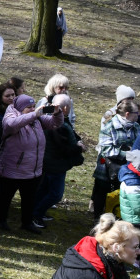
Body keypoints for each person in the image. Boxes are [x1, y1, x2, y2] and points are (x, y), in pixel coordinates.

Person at [0, 94, 63, 234]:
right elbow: (12, 125)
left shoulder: (37, 119)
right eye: (28, 107)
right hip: (12, 168)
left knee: (29, 199)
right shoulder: (10, 117)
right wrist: (35, 114)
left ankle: (27, 223)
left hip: (33, 169)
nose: (32, 109)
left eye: (33, 106)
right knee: (6, 197)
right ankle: (2, 221)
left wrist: (57, 113)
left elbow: (55, 123)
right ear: (20, 108)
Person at [33, 94, 85, 226]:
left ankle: (36, 213)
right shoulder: (58, 124)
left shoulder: (53, 119)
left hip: (49, 162)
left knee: (43, 190)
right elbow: (63, 148)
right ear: (66, 108)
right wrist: (79, 148)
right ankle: (36, 215)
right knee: (56, 194)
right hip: (55, 165)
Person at [90, 99, 140, 219]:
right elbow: (107, 150)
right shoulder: (110, 126)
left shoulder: (136, 126)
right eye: (136, 113)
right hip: (106, 168)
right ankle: (98, 219)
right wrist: (128, 154)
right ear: (127, 114)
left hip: (127, 168)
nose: (138, 115)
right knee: (102, 194)